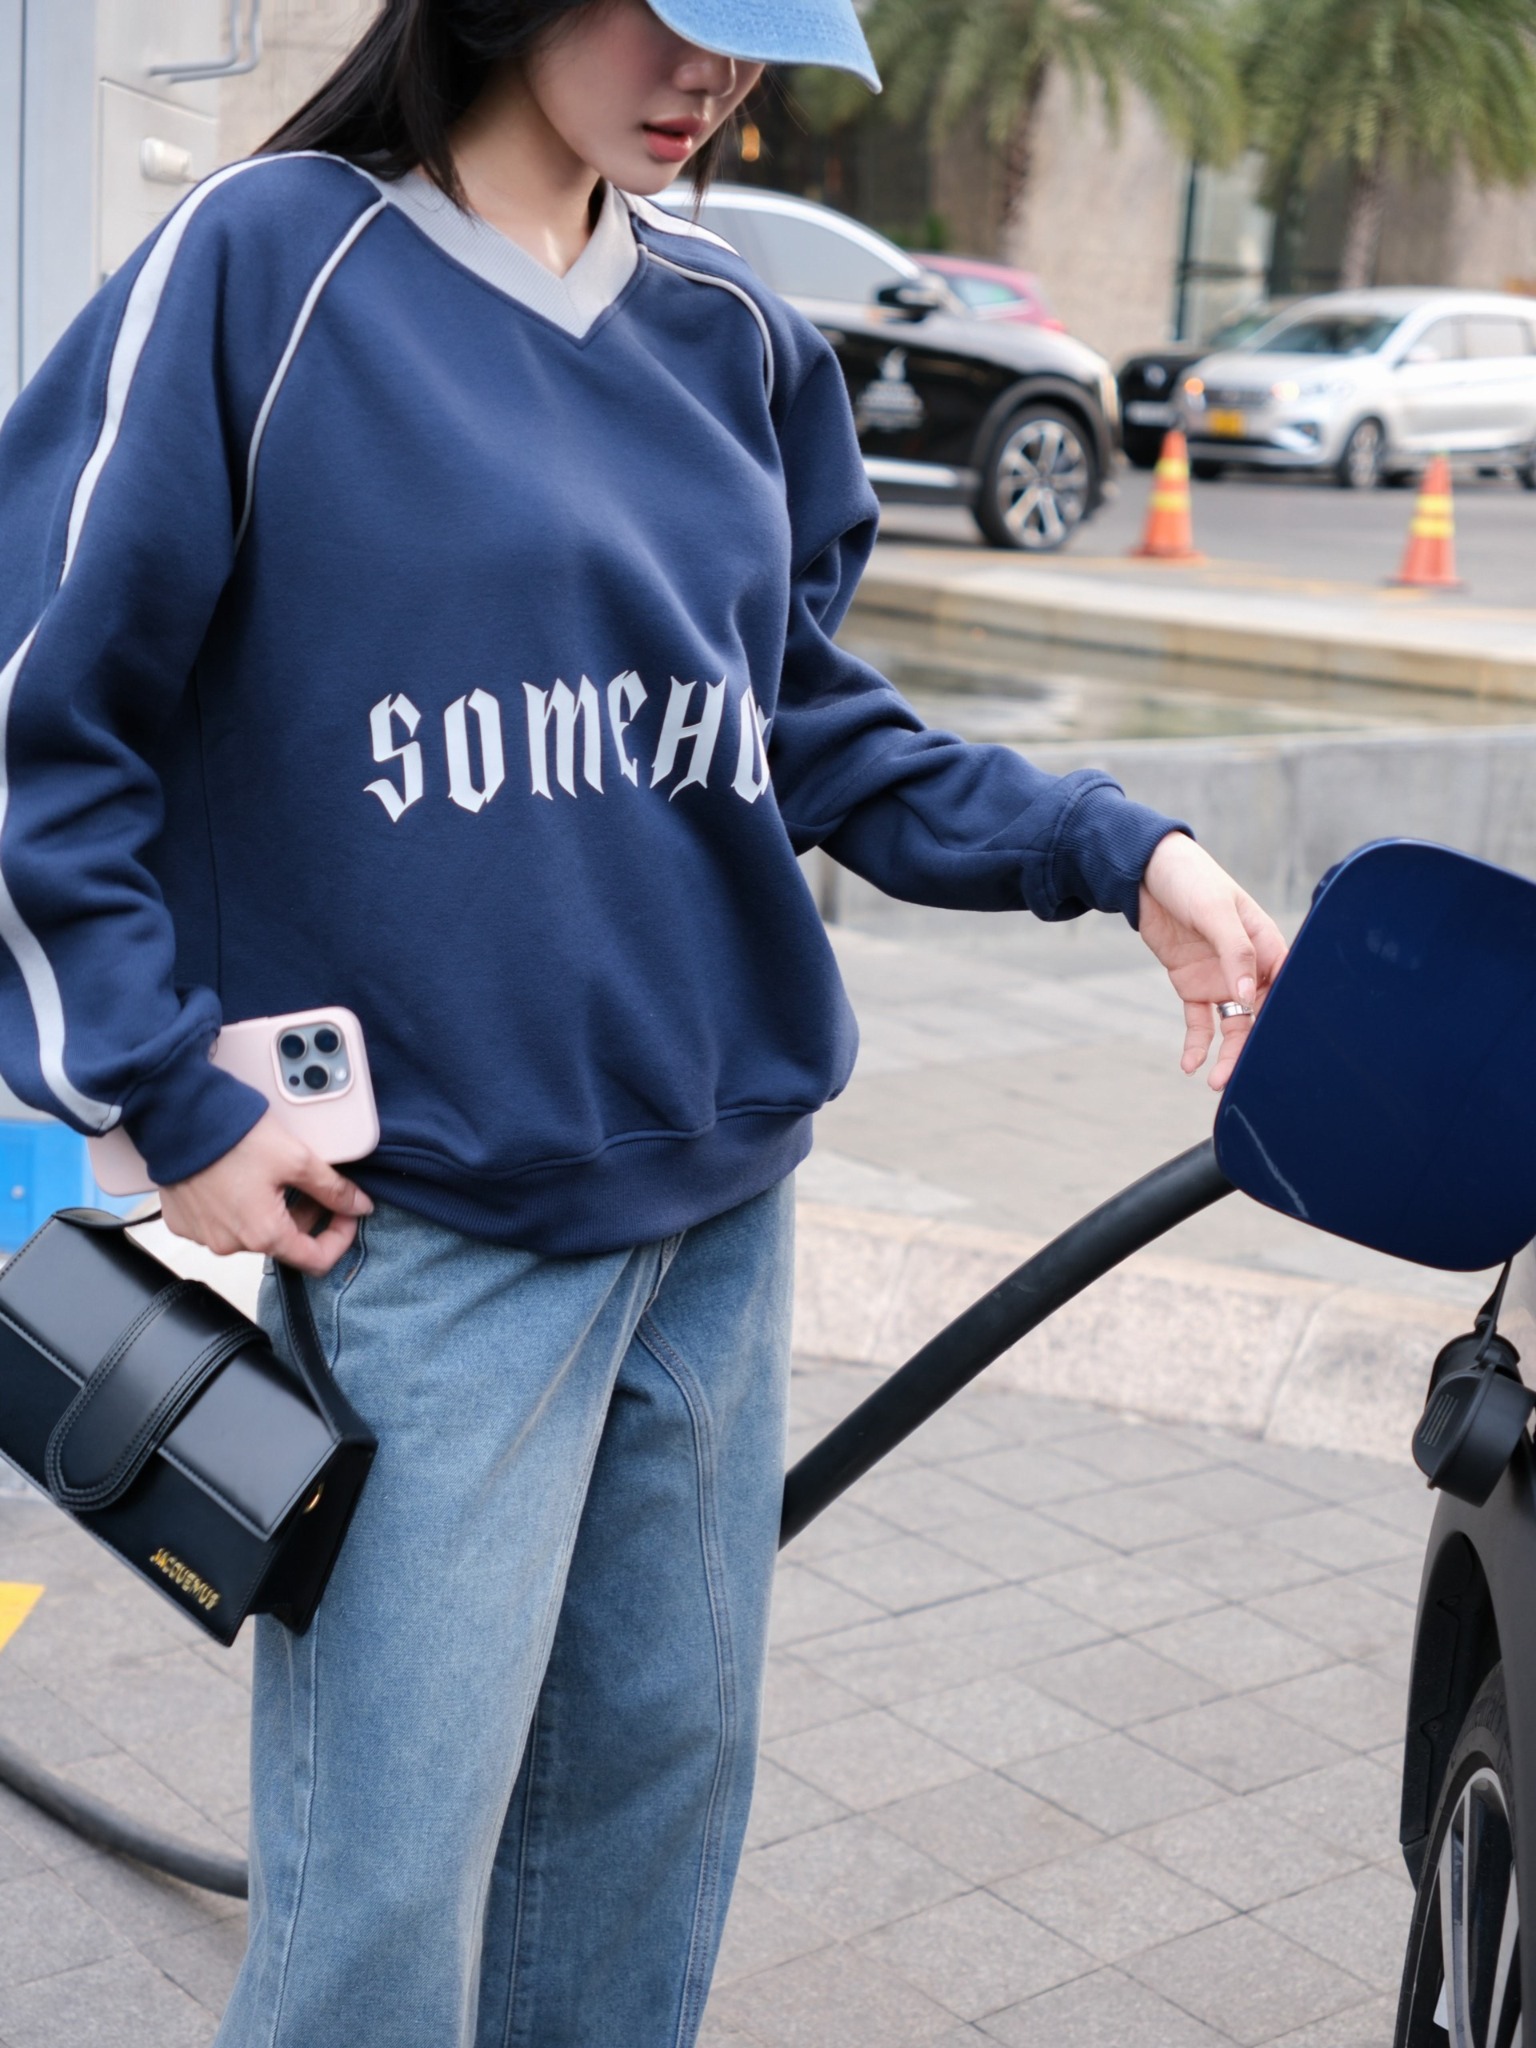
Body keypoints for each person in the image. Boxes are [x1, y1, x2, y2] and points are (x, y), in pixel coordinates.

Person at [0, 0, 1286, 2040]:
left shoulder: (734, 329)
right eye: (685, 18)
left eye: (763, 41)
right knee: (381, 1893)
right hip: (432, 1237)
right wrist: (163, 1079)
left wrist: (1126, 853)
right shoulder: (268, 265)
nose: (720, 80)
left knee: (644, 1820)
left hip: (717, 1222)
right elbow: (39, 714)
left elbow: (803, 727)